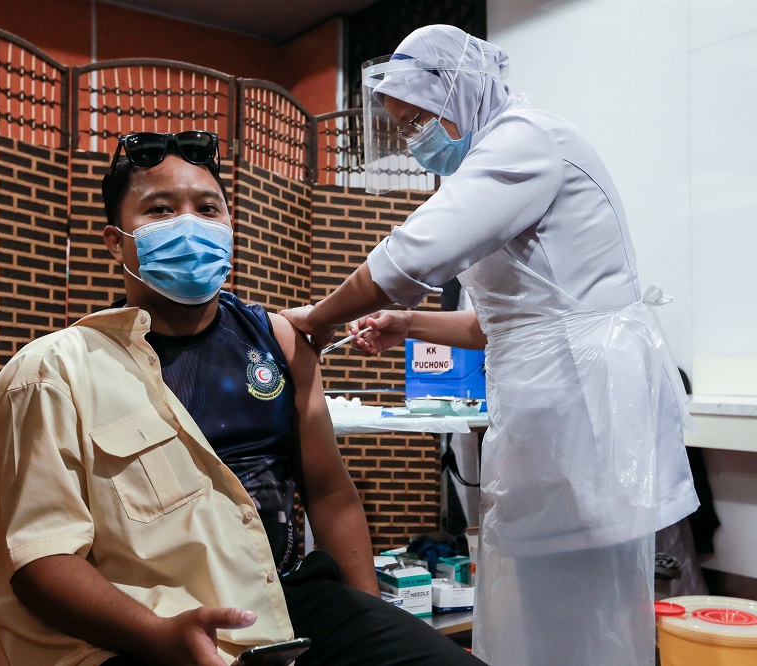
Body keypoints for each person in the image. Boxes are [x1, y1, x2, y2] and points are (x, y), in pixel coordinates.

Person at [0, 128, 484, 666]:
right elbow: (40, 561)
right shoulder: (52, 372)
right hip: (147, 620)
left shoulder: (278, 341)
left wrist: (371, 620)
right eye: (160, 210)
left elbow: (330, 494)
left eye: (208, 208)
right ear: (116, 241)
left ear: (230, 227)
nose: (189, 224)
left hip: (288, 599)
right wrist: (158, 636)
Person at [281, 25, 700, 666]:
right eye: (401, 126)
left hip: (584, 404)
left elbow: (403, 260)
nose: (413, 138)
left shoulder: (525, 142)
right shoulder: (493, 163)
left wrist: (313, 321)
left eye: (419, 118)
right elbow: (493, 325)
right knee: (542, 599)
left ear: (461, 93)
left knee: (586, 608)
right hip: (553, 395)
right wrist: (407, 324)